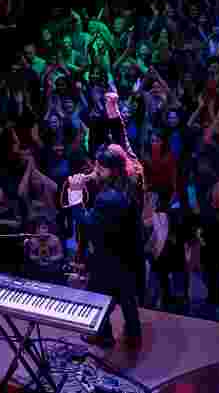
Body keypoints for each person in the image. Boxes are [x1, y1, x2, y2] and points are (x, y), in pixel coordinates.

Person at [67, 91, 144, 349]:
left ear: (112, 170)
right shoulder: (133, 176)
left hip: (110, 256)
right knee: (128, 298)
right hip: (130, 251)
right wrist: (113, 112)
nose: (95, 171)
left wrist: (75, 194)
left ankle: (104, 336)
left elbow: (88, 225)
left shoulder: (108, 198)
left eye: (100, 168)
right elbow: (123, 143)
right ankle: (133, 336)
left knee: (96, 298)